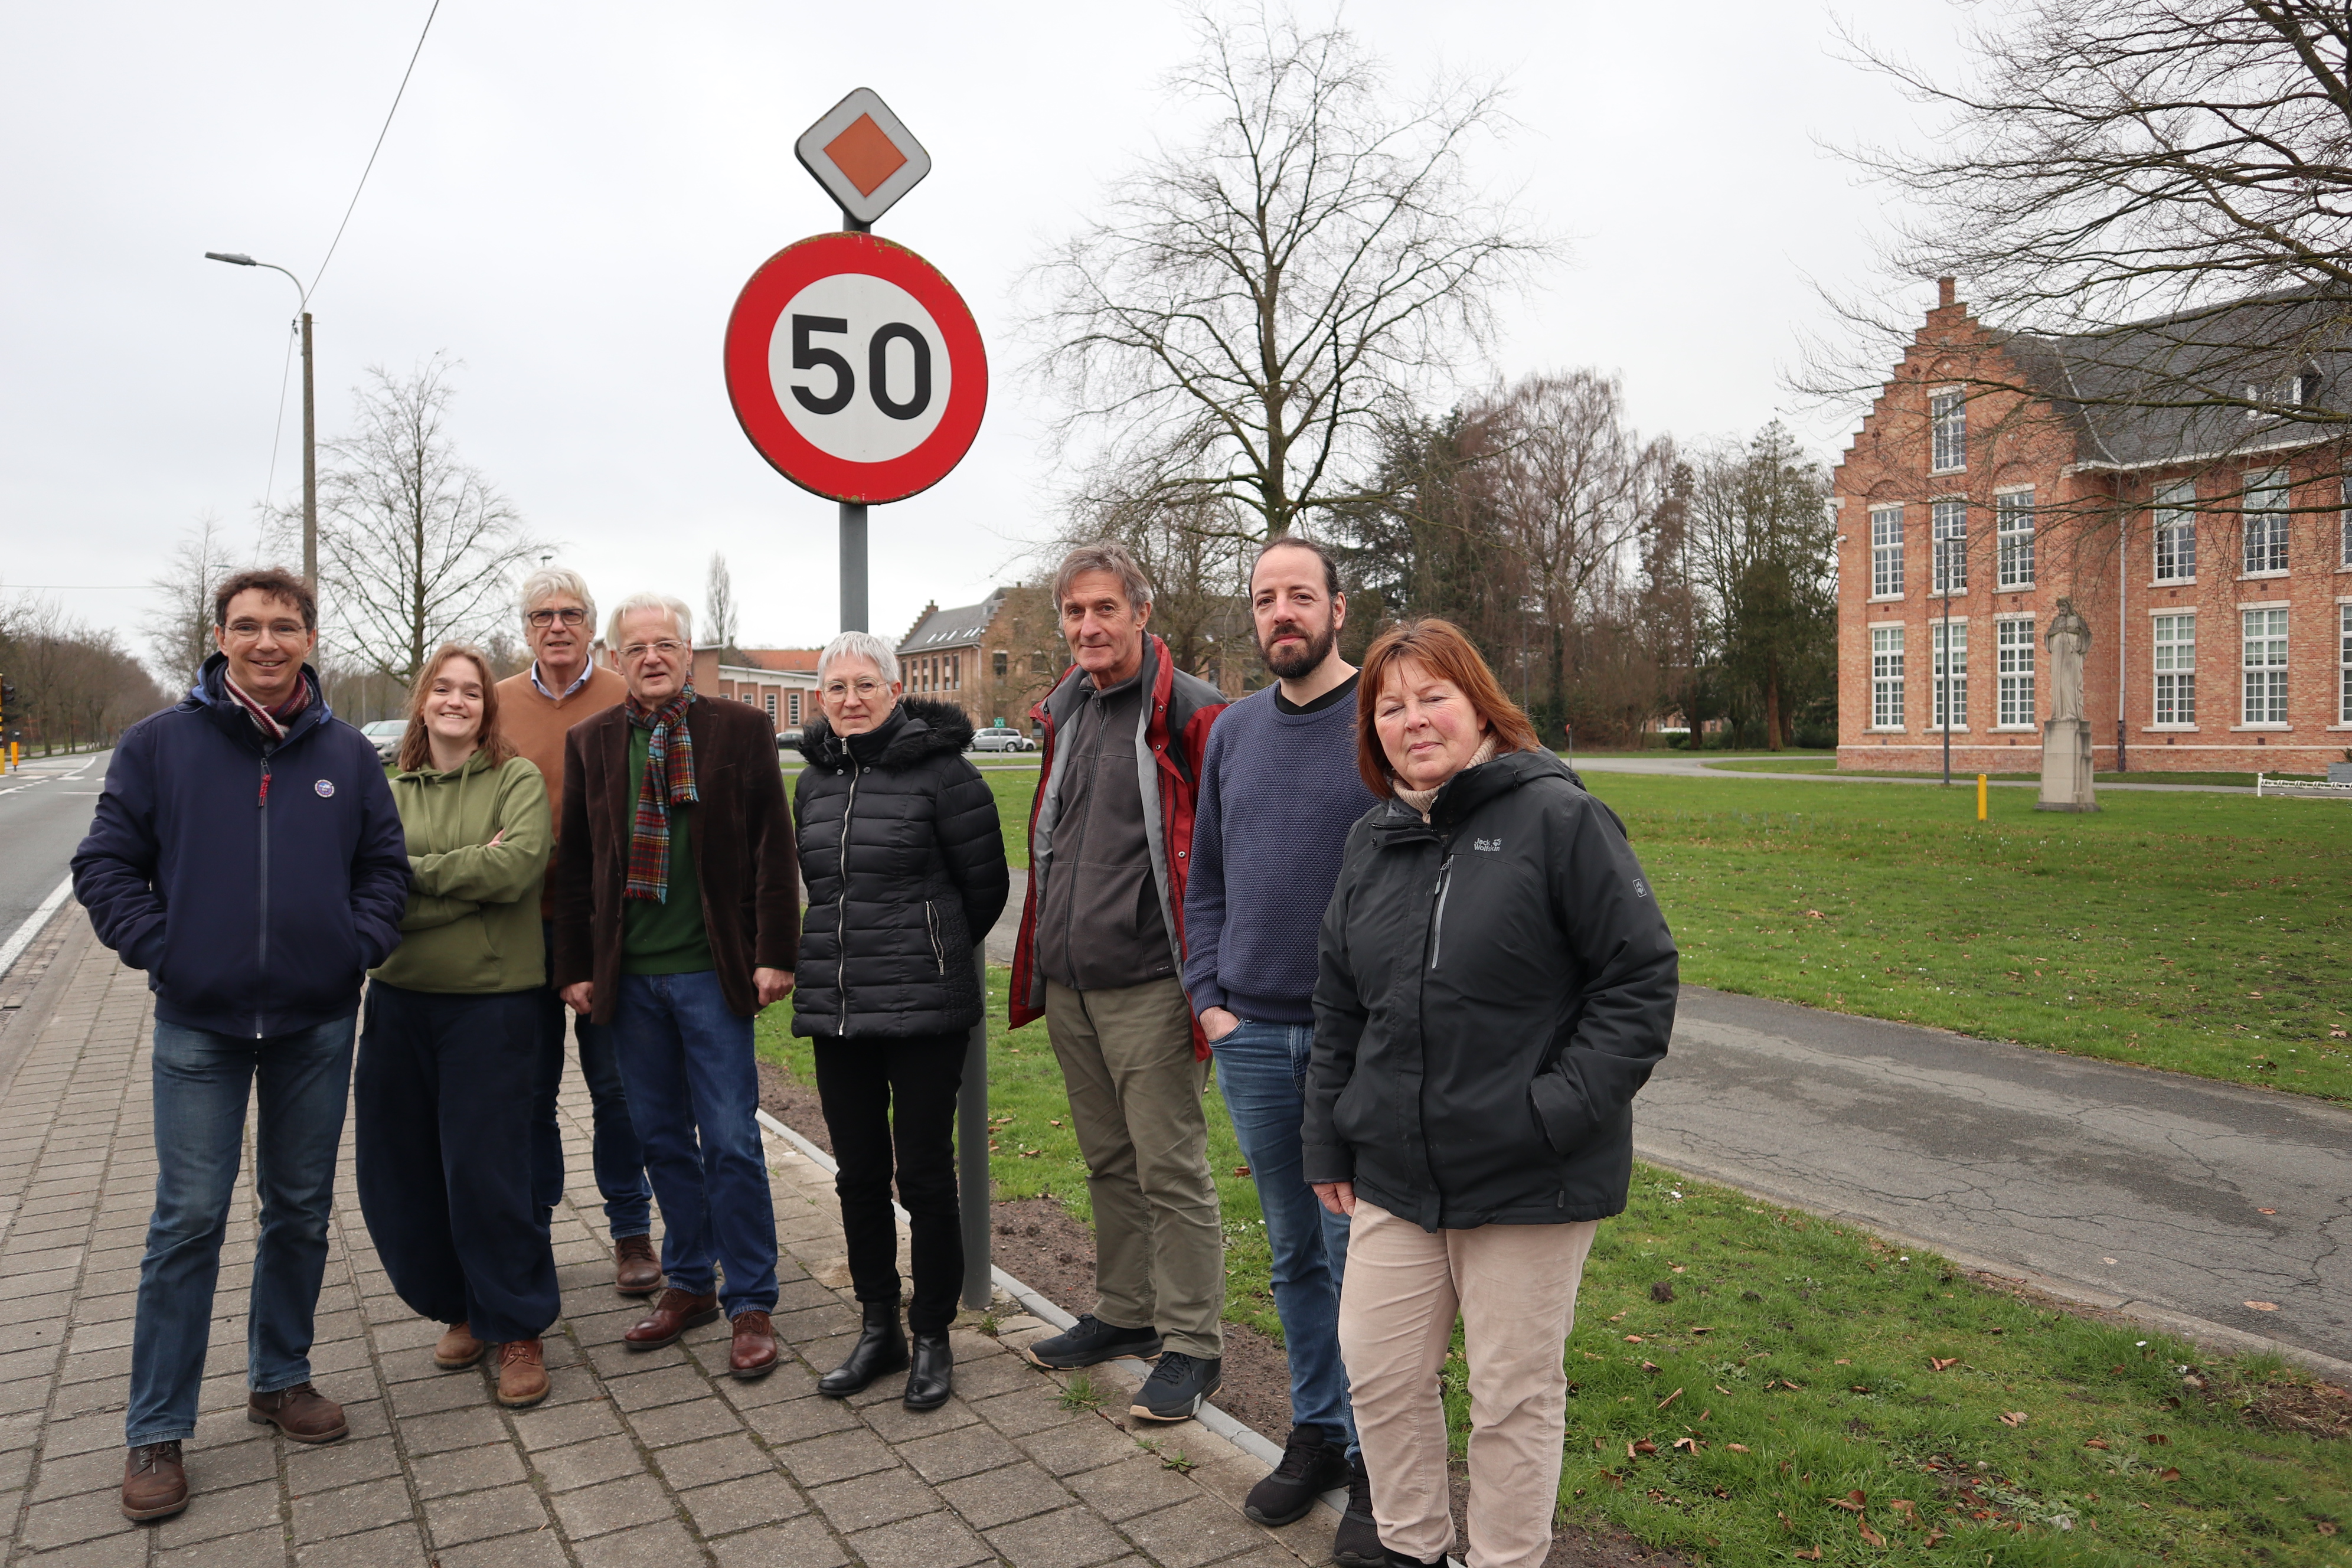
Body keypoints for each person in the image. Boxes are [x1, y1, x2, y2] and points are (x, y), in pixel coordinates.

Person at [1304, 618, 1678, 1568]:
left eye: (1433, 697)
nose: (1413, 720)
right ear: (1372, 729)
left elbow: (1638, 983)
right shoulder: (1370, 843)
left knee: (1513, 1396)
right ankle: (1412, 1546)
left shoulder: (1560, 819)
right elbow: (1341, 1006)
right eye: (1390, 707)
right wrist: (1327, 1142)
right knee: (1382, 1375)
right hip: (1394, 1172)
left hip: (1529, 1177)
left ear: (1480, 706)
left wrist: (1548, 1113)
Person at [72, 569, 410, 1524]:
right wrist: (164, 947)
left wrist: (354, 946)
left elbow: (384, 866)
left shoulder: (346, 753)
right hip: (199, 1025)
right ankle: (156, 1427)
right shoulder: (158, 747)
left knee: (300, 1208)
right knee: (187, 1219)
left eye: (285, 626)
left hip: (314, 1019)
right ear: (219, 636)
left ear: (309, 639)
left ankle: (280, 1376)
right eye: (248, 626)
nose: (266, 642)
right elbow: (104, 864)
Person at [1182, 537, 1381, 1562]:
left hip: (1357, 1046)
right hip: (1251, 1037)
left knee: (1366, 1261)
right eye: (1264, 599)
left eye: (1299, 595)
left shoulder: (1381, 719)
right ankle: (1316, 1433)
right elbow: (1204, 878)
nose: (1280, 614)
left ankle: (1379, 1470)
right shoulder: (1231, 733)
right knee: (1295, 1252)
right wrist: (1209, 998)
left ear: (1336, 609)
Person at [1009, 541, 1229, 1421]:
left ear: (1142, 613)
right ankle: (1126, 1315)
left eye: (1105, 609)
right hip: (1072, 982)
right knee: (1108, 1160)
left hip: (1149, 982)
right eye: (1075, 613)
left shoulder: (1197, 715)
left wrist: (1214, 985)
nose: (1089, 626)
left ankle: (1192, 1347)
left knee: (1170, 1167)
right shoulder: (1069, 709)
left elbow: (1220, 861)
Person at [553, 593, 799, 1378]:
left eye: (667, 643)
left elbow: (772, 848)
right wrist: (576, 969)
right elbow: (574, 865)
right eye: (637, 646)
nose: (652, 656)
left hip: (711, 975)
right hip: (631, 983)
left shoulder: (741, 730)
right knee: (660, 1139)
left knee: (729, 1139)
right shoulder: (590, 741)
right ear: (617, 659)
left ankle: (752, 1298)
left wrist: (776, 952)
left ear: (689, 653)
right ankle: (691, 1281)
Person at [790, 632, 1009, 1410]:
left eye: (865, 684)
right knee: (857, 1177)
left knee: (922, 1176)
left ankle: (933, 1334)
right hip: (839, 1006)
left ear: (893, 689)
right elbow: (822, 887)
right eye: (836, 687)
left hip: (924, 1007)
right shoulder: (813, 784)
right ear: (822, 699)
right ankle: (877, 1325)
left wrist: (929, 948)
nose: (851, 699)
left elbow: (984, 891)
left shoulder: (945, 777)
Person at [355, 643, 560, 1407]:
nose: (455, 700)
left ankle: (518, 1327)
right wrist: (458, 878)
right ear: (422, 701)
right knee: (402, 1170)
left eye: (470, 691)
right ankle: (463, 1307)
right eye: (442, 688)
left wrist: (410, 876)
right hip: (400, 1002)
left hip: (491, 1007)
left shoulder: (516, 779)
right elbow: (365, 884)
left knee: (488, 1172)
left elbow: (516, 871)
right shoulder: (385, 790)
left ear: (486, 706)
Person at [495, 567, 656, 1294]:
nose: (556, 626)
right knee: (527, 1093)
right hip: (520, 930)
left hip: (607, 929)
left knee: (617, 1089)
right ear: (524, 628)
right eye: (541, 615)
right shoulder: (494, 705)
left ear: (593, 626)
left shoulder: (628, 697)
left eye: (570, 613)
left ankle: (631, 1232)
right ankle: (532, 1231)